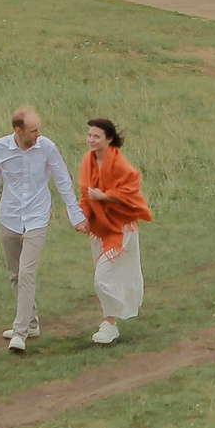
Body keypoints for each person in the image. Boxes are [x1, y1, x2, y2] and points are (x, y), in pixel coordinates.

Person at [0, 105, 84, 354]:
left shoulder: (47, 147)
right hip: (10, 218)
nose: (38, 134)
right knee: (14, 274)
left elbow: (63, 180)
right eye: (33, 130)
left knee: (26, 273)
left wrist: (76, 214)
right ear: (18, 130)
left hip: (37, 217)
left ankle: (20, 332)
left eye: (39, 129)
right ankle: (32, 323)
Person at [77, 116, 152, 345]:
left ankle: (109, 323)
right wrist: (83, 217)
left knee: (103, 276)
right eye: (89, 135)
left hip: (121, 228)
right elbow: (85, 193)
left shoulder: (121, 165)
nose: (91, 140)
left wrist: (106, 196)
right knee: (104, 274)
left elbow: (131, 194)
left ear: (108, 139)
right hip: (100, 228)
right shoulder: (87, 161)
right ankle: (109, 321)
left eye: (96, 136)